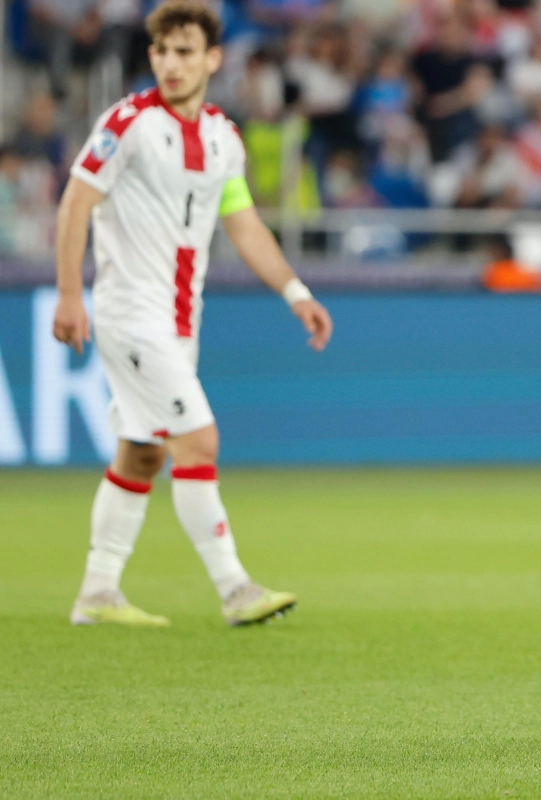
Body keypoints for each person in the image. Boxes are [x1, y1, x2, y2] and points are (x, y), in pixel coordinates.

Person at [52, 2, 333, 628]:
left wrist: (296, 292)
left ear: (213, 58)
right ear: (151, 57)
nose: (171, 64)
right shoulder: (127, 123)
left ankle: (97, 594)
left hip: (182, 321)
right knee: (198, 440)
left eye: (185, 51)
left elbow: (245, 225)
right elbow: (76, 203)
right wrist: (70, 293)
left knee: (142, 455)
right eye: (161, 52)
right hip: (131, 312)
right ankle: (235, 589)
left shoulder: (222, 138)